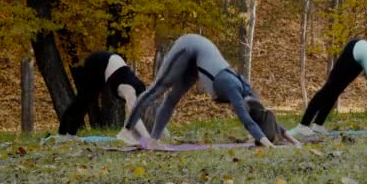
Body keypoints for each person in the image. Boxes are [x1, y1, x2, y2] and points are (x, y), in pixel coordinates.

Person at [121, 34, 300, 150]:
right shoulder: (234, 90)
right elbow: (247, 121)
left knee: (172, 99)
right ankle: (128, 129)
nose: (236, 109)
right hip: (189, 44)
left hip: (199, 58)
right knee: (158, 89)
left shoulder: (249, 93)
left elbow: (265, 116)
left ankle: (153, 140)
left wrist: (294, 141)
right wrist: (269, 145)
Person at [58, 51, 151, 142]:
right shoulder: (130, 91)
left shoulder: (140, 88)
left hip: (110, 63)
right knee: (84, 98)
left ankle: (71, 133)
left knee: (90, 99)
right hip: (97, 61)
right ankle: (63, 133)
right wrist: (148, 139)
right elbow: (134, 117)